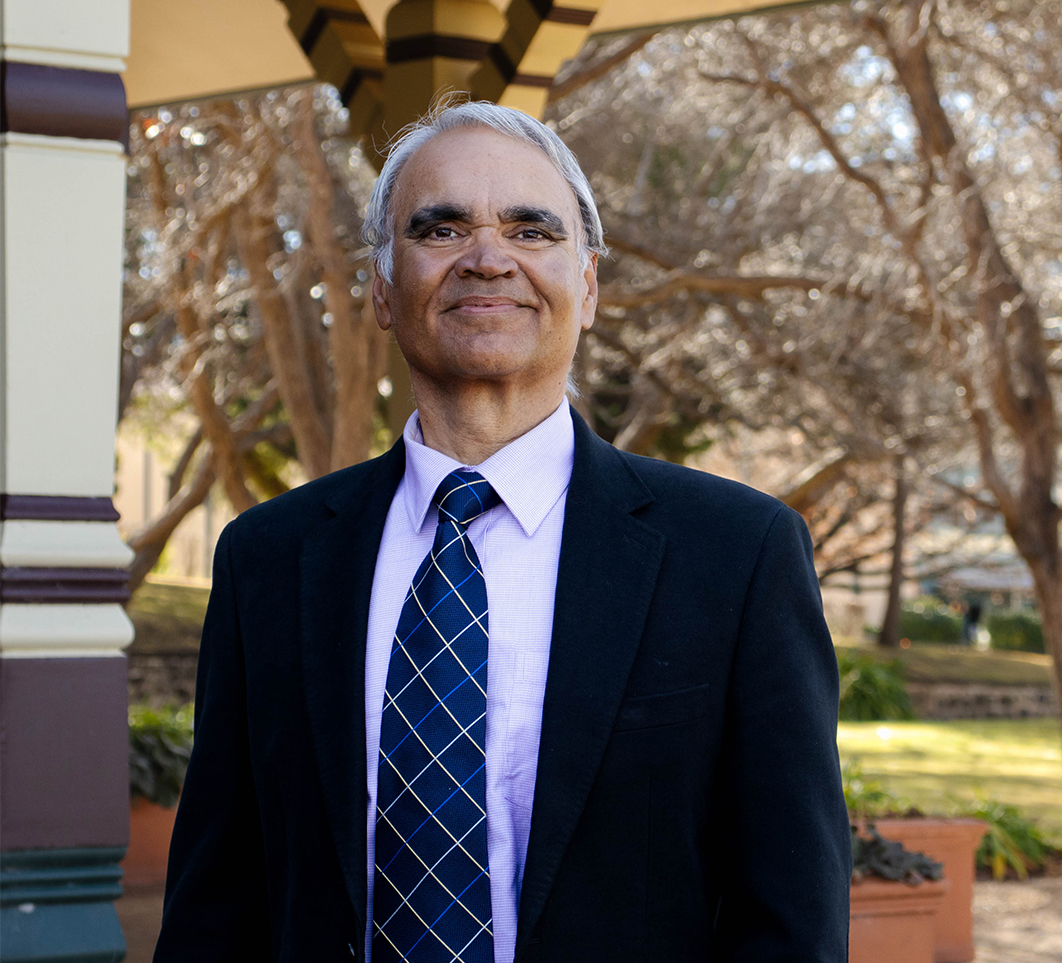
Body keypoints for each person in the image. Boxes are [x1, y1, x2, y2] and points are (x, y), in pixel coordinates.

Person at [153, 100, 850, 963]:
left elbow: (791, 917)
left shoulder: (739, 556)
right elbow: (216, 903)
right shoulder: (269, 558)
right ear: (379, 287)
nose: (488, 259)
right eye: (441, 230)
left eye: (531, 230)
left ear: (587, 286)